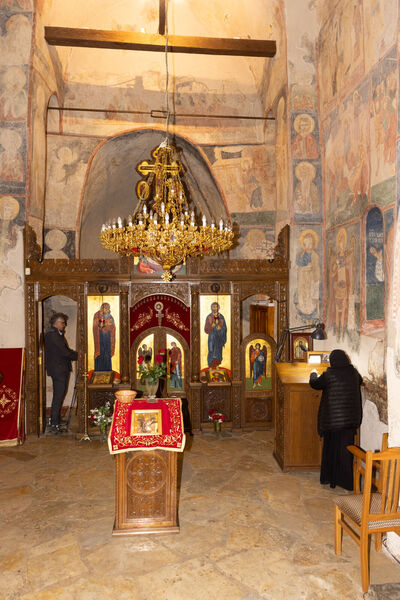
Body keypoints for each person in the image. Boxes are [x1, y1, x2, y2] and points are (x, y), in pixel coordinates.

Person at [309, 349, 363, 490]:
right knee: (345, 452)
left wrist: (313, 374)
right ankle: (346, 482)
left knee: (331, 450)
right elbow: (361, 380)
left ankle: (329, 479)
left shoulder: (329, 374)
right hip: (350, 421)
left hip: (332, 421)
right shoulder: (353, 373)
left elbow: (315, 384)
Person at [44, 313, 78, 434]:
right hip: (58, 370)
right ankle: (54, 423)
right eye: (63, 323)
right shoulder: (53, 335)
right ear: (56, 323)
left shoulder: (55, 334)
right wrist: (78, 355)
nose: (64, 325)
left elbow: (64, 351)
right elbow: (64, 351)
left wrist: (74, 354)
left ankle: (56, 420)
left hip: (60, 368)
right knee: (58, 395)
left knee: (60, 394)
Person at [93, 302, 115, 371]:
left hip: (107, 338)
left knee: (107, 353)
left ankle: (107, 370)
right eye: (105, 308)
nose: (107, 309)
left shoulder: (110, 316)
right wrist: (103, 321)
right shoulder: (97, 314)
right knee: (100, 353)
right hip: (100, 337)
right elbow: (95, 325)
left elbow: (113, 327)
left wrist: (109, 323)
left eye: (108, 308)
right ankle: (99, 370)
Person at [204, 302, 227, 368]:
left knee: (218, 351)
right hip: (212, 336)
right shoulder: (209, 317)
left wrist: (220, 328)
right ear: (211, 308)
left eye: (216, 307)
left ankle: (217, 365)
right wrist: (211, 326)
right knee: (211, 350)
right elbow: (206, 329)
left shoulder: (221, 317)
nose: (214, 308)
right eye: (213, 307)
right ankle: (211, 365)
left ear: (218, 308)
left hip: (219, 337)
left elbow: (224, 328)